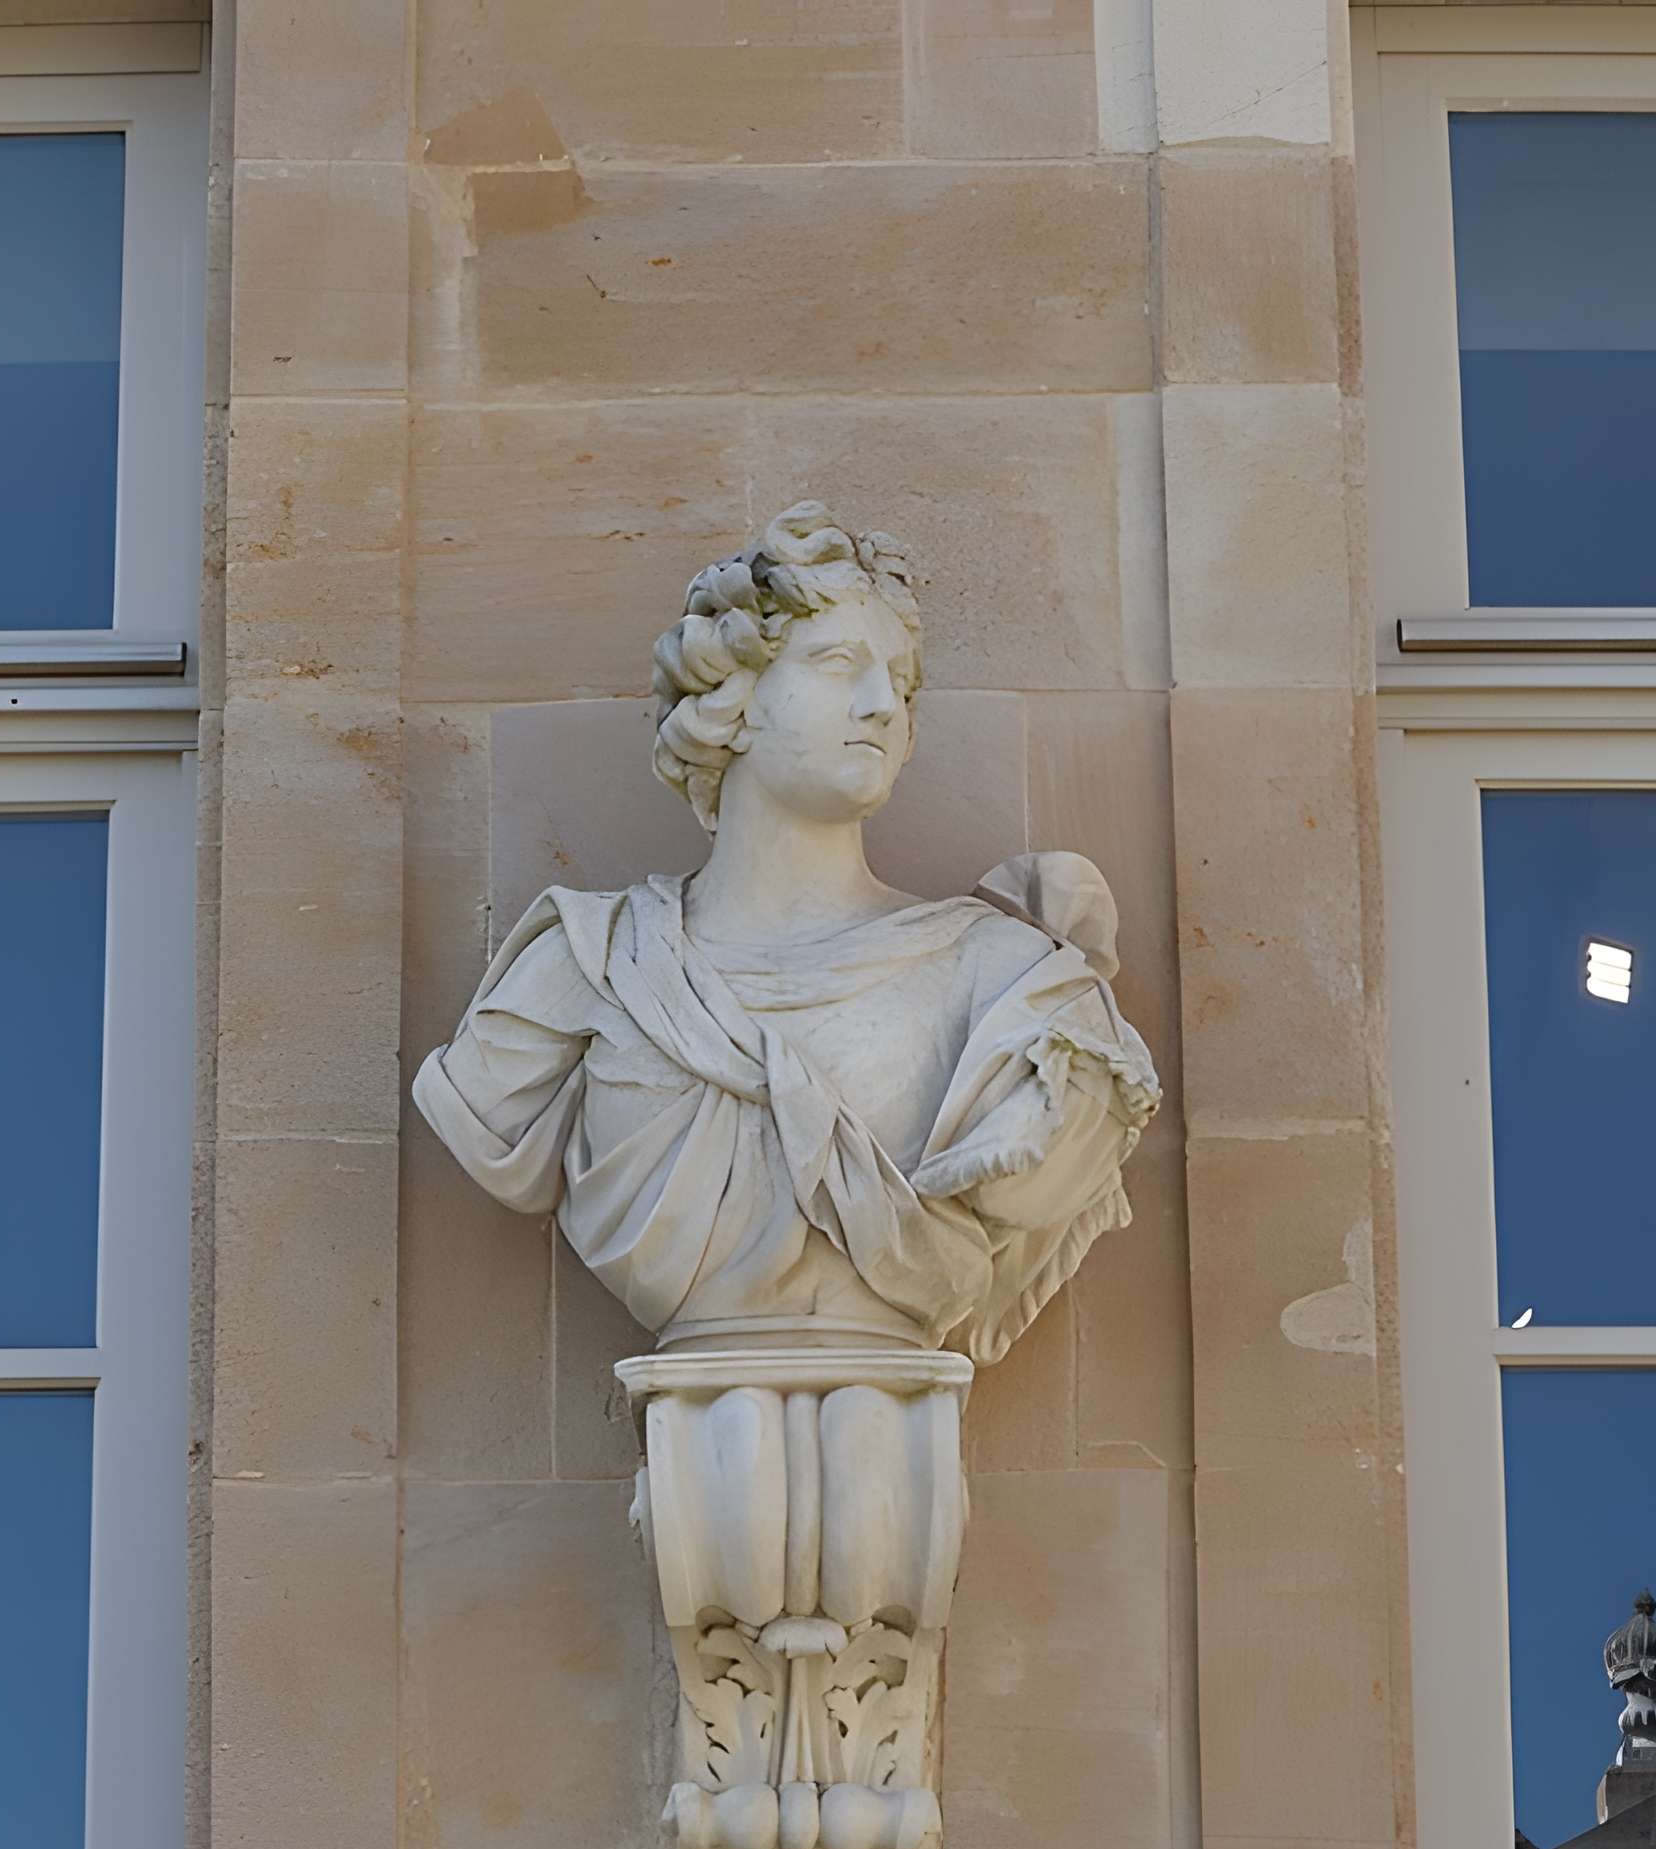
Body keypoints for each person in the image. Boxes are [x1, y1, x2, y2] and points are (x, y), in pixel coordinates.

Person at [412, 501, 1159, 1369]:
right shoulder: (584, 967)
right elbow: (483, 1106)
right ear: (730, 697)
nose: (882, 705)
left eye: (901, 680)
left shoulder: (1006, 981)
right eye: (838, 663)